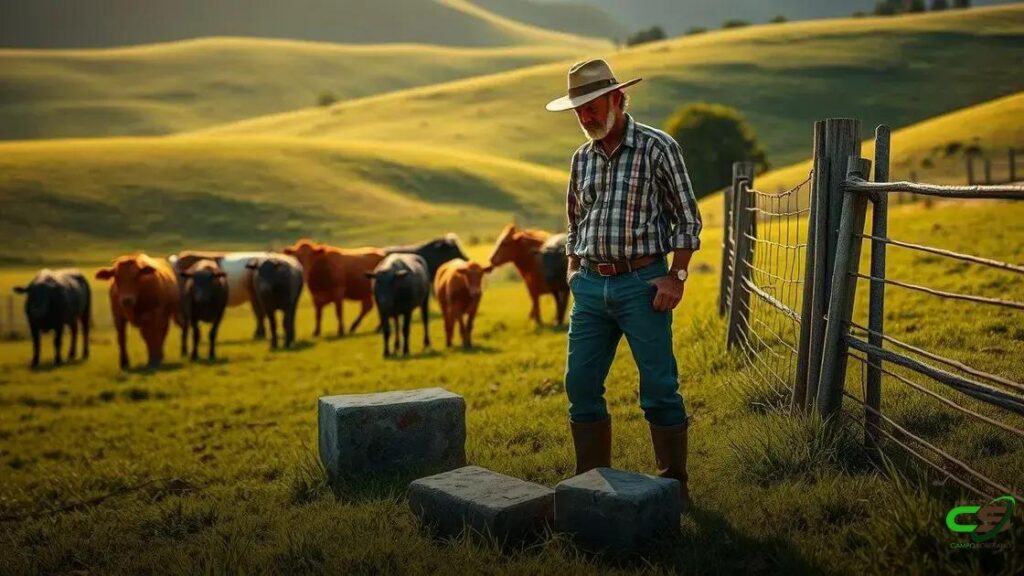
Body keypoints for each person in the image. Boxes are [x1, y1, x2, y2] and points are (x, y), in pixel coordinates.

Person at [545, 58, 703, 507]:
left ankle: (674, 490)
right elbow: (575, 219)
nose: (585, 117)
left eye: (592, 106)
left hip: (645, 285)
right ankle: (590, 489)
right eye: (578, 109)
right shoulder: (581, 159)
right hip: (592, 287)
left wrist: (677, 275)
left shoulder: (658, 147)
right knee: (580, 385)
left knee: (658, 388)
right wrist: (574, 270)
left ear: (617, 98)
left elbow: (687, 217)